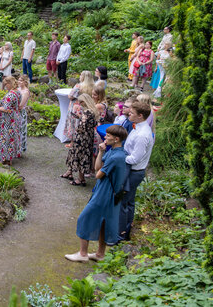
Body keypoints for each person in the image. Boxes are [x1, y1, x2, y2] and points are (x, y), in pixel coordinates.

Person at [66, 125, 129, 262]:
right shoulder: (114, 151)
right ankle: (100, 254)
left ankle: (82, 254)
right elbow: (96, 168)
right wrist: (101, 151)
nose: (105, 137)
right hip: (107, 191)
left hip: (105, 193)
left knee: (85, 217)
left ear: (116, 139)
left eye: (108, 136)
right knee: (103, 223)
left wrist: (101, 169)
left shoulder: (116, 157)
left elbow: (98, 174)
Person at [118, 100, 154, 241]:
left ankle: (121, 233)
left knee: (123, 202)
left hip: (133, 172)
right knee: (129, 201)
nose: (128, 114)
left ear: (140, 116)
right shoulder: (137, 127)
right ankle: (125, 230)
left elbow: (135, 159)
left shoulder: (142, 135)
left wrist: (118, 157)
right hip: (133, 170)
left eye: (132, 113)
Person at [62, 94, 99, 186]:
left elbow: (83, 126)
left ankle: (80, 179)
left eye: (80, 102)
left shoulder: (87, 112)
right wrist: (79, 117)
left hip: (82, 138)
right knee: (80, 155)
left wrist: (78, 128)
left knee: (78, 156)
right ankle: (70, 173)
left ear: (84, 102)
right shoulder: (93, 111)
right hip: (88, 137)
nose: (79, 104)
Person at [0, 76, 21, 166]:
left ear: (9, 83)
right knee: (11, 139)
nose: (5, 86)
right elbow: (11, 106)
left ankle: (4, 160)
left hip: (8, 120)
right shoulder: (17, 92)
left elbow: (5, 109)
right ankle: (8, 159)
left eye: (5, 84)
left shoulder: (10, 94)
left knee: (6, 139)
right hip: (14, 118)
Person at [65, 71, 94, 146]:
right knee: (82, 123)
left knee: (73, 124)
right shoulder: (93, 86)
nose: (79, 76)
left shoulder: (78, 86)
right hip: (86, 107)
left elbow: (70, 96)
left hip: (76, 107)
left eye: (81, 75)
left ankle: (72, 142)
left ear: (83, 77)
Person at [18, 76, 31, 155]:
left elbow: (21, 105)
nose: (19, 82)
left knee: (21, 131)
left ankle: (20, 149)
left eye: (21, 81)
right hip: (16, 111)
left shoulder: (26, 92)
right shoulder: (18, 89)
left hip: (21, 112)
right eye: (18, 80)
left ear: (25, 82)